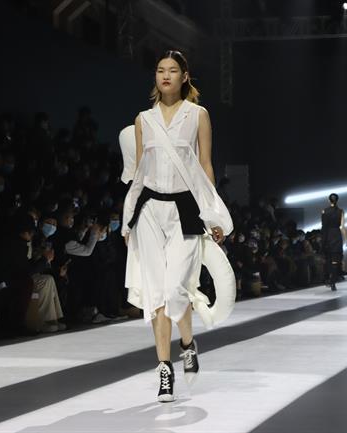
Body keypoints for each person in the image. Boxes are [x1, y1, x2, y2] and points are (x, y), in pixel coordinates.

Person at [122, 50, 233, 402]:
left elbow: (205, 166)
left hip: (185, 209)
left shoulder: (198, 115)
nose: (165, 75)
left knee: (175, 292)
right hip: (149, 211)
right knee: (156, 296)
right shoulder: (143, 119)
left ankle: (187, 344)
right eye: (160, 70)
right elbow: (139, 172)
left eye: (172, 70)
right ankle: (164, 370)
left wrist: (212, 215)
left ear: (185, 76)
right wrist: (128, 220)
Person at [321, 193, 347, 291]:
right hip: (336, 235)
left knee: (328, 259)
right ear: (337, 200)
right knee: (335, 260)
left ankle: (327, 279)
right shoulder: (341, 211)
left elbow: (323, 226)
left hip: (327, 235)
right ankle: (333, 282)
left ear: (329, 200)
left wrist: (323, 239)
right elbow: (342, 227)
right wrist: (346, 239)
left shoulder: (324, 211)